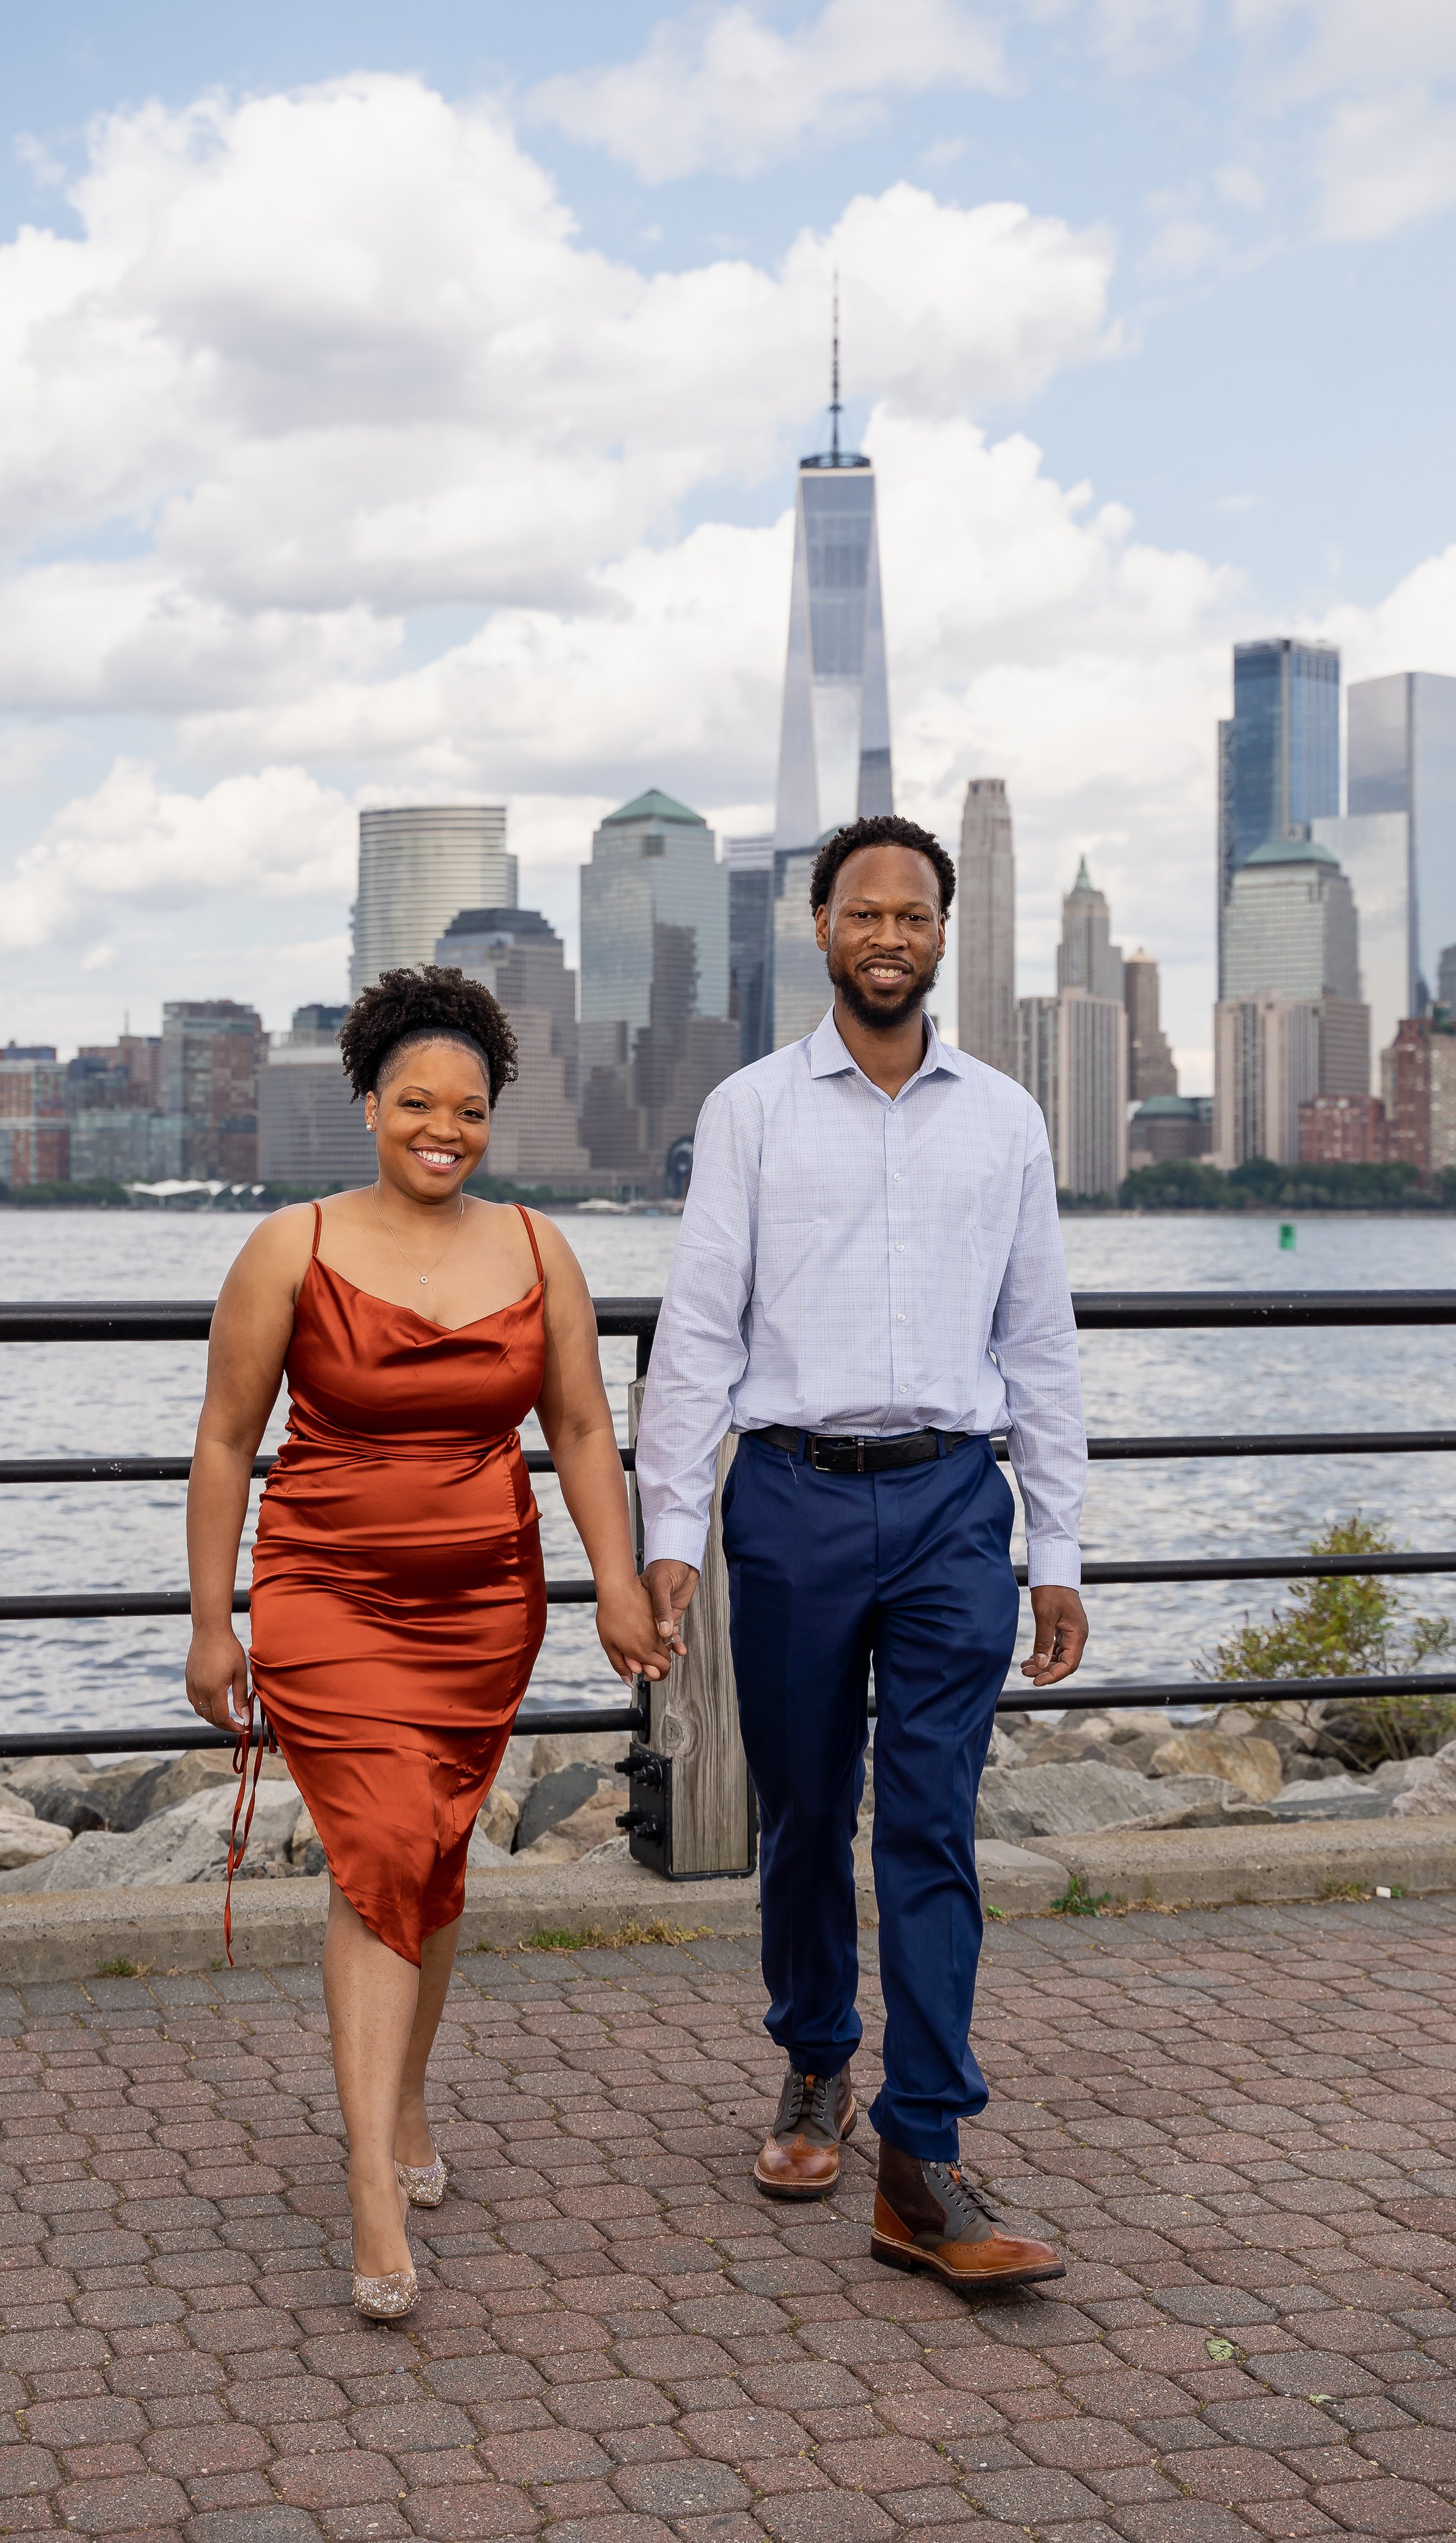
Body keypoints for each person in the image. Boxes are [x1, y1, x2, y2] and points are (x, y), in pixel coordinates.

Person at [635, 814, 1087, 2293]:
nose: (887, 934)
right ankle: (814, 2061)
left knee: (931, 1827)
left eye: (913, 915)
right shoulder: (753, 1112)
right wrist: (667, 1538)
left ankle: (922, 2149)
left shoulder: (1003, 1120)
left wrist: (1057, 1547)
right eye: (861, 912)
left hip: (956, 1506)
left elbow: (1038, 1345)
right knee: (801, 1813)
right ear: (817, 928)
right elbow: (695, 1333)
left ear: (940, 936)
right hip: (790, 1502)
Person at [184, 967, 667, 2321]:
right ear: (368, 1105)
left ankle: (399, 2105)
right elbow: (226, 1439)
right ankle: (370, 2188)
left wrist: (612, 1583)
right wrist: (212, 1620)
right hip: (325, 1594)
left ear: (490, 1117)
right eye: (414, 1104)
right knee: (385, 1846)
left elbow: (577, 1428)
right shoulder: (290, 1246)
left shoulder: (535, 1249)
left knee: (433, 1855)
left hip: (482, 1608)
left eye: (466, 1108)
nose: (440, 1129)